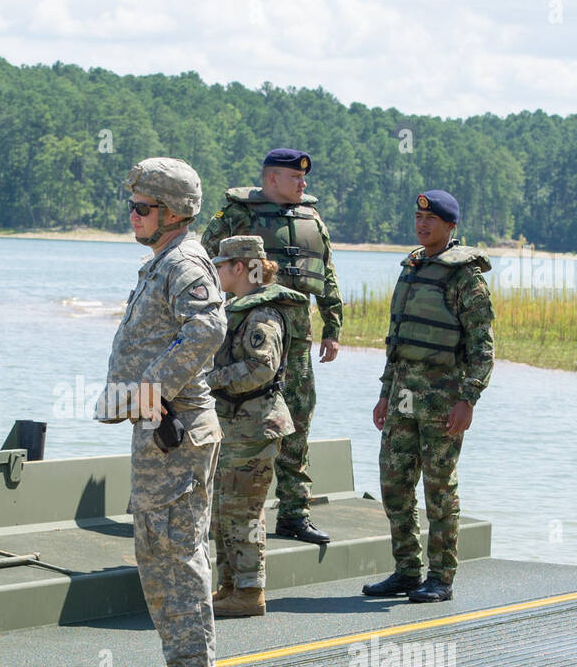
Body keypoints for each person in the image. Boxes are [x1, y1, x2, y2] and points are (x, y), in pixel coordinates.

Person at [96, 157, 226, 667]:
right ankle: (183, 666)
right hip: (160, 429)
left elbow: (208, 328)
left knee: (175, 548)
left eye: (142, 208)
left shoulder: (185, 263)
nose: (132, 216)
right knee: (158, 547)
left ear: (172, 214)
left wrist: (151, 388)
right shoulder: (162, 262)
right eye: (132, 206)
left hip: (175, 429)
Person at [201, 148, 343, 547]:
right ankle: (217, 509)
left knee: (296, 420)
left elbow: (326, 272)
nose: (303, 184)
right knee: (234, 417)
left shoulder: (311, 218)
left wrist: (333, 324)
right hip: (244, 334)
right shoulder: (236, 215)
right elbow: (207, 266)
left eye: (304, 178)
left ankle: (295, 513)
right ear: (270, 180)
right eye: (294, 178)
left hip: (297, 339)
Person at [364, 190, 494, 603]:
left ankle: (441, 578)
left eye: (431, 221)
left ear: (450, 226)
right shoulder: (412, 268)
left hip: (443, 398)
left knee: (438, 490)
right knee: (395, 483)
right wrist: (385, 394)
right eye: (418, 220)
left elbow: (482, 348)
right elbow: (397, 340)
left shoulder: (466, 278)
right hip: (403, 394)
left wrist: (468, 399)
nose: (422, 226)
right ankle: (406, 570)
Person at [208, 236, 308, 618]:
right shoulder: (241, 309)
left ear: (239, 267)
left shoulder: (261, 316)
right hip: (236, 427)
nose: (216, 272)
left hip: (254, 427)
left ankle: (250, 591)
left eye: (221, 265)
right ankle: (231, 585)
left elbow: (261, 368)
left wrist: (210, 378)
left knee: (245, 510)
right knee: (224, 508)